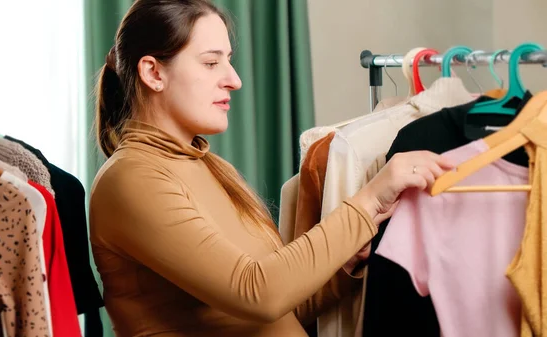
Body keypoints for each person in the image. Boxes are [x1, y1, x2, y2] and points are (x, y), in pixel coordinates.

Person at [89, 0, 454, 336]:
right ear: (153, 73)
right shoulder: (133, 178)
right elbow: (257, 293)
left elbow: (280, 309)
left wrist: (344, 262)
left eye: (228, 61)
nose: (234, 79)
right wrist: (368, 200)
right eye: (211, 62)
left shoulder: (208, 166)